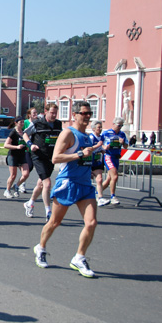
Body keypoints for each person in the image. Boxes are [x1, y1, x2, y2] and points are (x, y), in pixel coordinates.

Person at [33, 101, 98, 278]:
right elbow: (56, 158)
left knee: (91, 223)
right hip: (68, 183)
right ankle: (41, 247)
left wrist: (89, 167)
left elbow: (84, 158)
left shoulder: (88, 136)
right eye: (84, 113)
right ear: (75, 114)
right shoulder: (68, 133)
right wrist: (79, 154)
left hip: (85, 185)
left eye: (89, 113)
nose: (87, 116)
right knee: (55, 221)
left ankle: (79, 257)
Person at [23, 103, 62, 221]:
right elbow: (25, 134)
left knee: (41, 184)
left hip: (51, 157)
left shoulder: (58, 124)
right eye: (52, 112)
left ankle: (30, 203)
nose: (54, 115)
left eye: (55, 113)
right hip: (38, 156)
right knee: (47, 183)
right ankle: (48, 211)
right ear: (46, 111)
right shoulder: (37, 123)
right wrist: (31, 145)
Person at [100, 117, 129, 205]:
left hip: (116, 157)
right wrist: (104, 147)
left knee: (109, 179)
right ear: (113, 124)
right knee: (115, 176)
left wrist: (123, 142)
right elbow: (99, 144)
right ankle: (113, 196)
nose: (120, 127)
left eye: (121, 125)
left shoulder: (122, 134)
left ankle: (97, 192)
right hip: (108, 156)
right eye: (118, 125)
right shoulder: (106, 133)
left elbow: (126, 146)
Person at [3, 116, 30, 198]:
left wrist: (27, 147)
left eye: (23, 122)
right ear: (16, 123)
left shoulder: (24, 133)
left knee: (26, 174)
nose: (22, 124)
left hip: (22, 155)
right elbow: (6, 145)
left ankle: (16, 186)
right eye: (20, 122)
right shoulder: (13, 133)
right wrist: (17, 147)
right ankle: (7, 190)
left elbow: (27, 142)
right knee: (13, 175)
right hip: (13, 155)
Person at [89, 121, 108, 206]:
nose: (100, 129)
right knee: (86, 180)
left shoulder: (102, 137)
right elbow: (88, 149)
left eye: (101, 127)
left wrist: (103, 150)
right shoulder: (91, 137)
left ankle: (100, 198)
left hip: (98, 161)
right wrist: (97, 146)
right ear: (93, 129)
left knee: (99, 179)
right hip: (90, 161)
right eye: (98, 127)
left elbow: (101, 147)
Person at [21, 107, 39, 194]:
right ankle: (22, 183)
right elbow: (22, 133)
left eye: (36, 113)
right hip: (26, 147)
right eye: (34, 113)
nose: (36, 115)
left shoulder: (38, 123)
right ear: (29, 115)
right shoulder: (25, 122)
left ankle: (22, 180)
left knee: (31, 167)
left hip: (35, 147)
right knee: (29, 166)